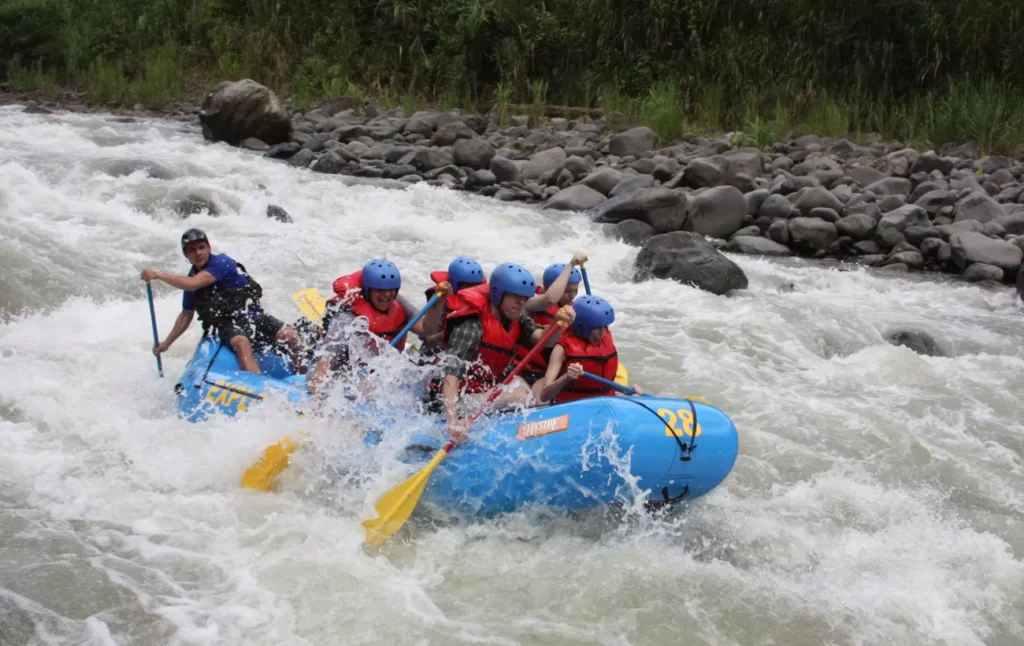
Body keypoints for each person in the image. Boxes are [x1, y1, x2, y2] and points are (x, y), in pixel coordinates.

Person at [432, 262, 575, 444]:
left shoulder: (515, 318)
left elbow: (542, 339)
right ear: (498, 295)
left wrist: (557, 323)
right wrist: (452, 423)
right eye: (515, 298)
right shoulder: (472, 326)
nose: (521, 303)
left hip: (480, 390)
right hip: (453, 399)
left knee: (522, 385)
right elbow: (451, 377)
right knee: (521, 397)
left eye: (524, 298)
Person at [140, 228, 304, 374]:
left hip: (253, 316)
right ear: (186, 255)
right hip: (228, 324)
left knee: (290, 335)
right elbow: (186, 314)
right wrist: (166, 344)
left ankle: (302, 376)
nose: (198, 253)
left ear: (209, 248)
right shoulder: (190, 279)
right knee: (241, 342)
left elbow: (193, 284)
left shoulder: (222, 263)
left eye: (201, 247)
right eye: (192, 250)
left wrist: (158, 275)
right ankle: (257, 385)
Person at [306, 259, 447, 396]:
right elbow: (326, 360)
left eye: (391, 290)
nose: (386, 295)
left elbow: (425, 328)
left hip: (382, 371)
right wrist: (317, 401)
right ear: (367, 291)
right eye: (380, 290)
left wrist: (439, 302)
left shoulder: (398, 302)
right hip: (344, 372)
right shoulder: (348, 317)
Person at [539, 295, 643, 403]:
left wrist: (627, 392)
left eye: (605, 327)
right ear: (581, 326)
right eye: (597, 328)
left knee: (637, 397)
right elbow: (544, 395)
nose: (602, 333)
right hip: (573, 406)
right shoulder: (561, 349)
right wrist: (566, 377)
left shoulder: (605, 338)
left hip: (605, 403)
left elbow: (606, 385)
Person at [514, 254, 588, 393]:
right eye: (567, 291)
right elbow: (549, 299)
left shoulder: (574, 309)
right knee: (540, 398)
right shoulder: (533, 303)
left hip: (557, 367)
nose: (572, 295)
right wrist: (571, 264)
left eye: (575, 291)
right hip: (531, 368)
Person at [418, 257, 486, 357]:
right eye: (468, 286)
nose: (473, 290)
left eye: (476, 286)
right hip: (433, 358)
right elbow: (428, 340)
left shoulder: (484, 303)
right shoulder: (441, 302)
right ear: (454, 284)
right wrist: (448, 333)